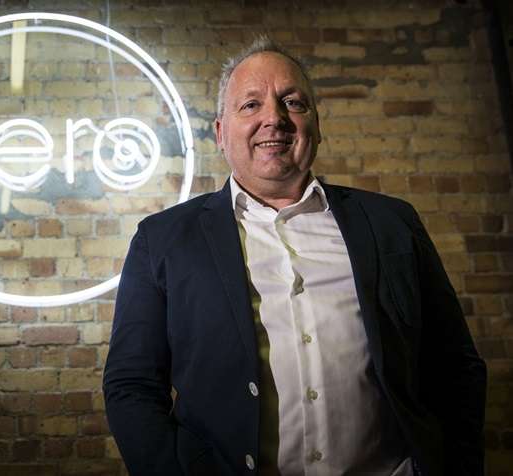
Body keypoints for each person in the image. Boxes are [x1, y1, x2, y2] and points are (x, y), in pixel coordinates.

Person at [102, 36, 487, 476]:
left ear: (316, 126)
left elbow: (455, 365)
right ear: (220, 132)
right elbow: (131, 386)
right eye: (251, 105)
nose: (275, 119)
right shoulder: (163, 240)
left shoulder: (392, 223)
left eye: (293, 102)